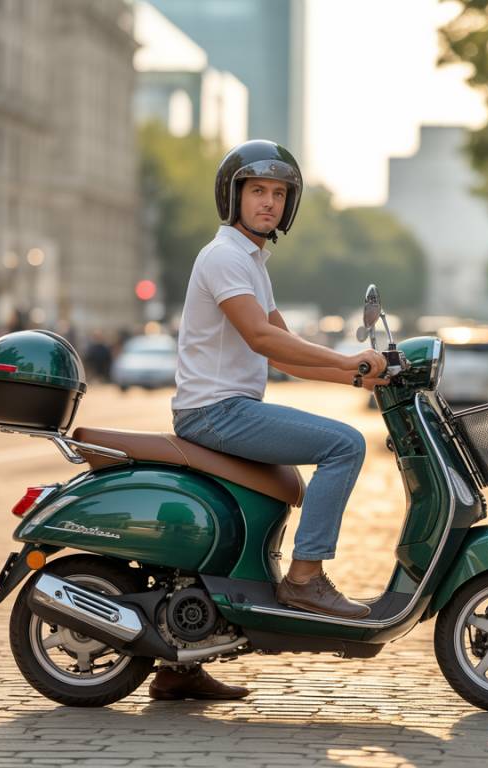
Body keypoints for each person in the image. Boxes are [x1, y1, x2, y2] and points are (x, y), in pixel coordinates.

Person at [148, 139, 387, 702]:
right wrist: (347, 361)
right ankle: (305, 580)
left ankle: (181, 664)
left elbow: (280, 352)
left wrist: (356, 376)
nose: (269, 203)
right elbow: (260, 336)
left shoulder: (252, 261)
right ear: (233, 196)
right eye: (257, 191)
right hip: (216, 411)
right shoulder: (224, 256)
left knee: (285, 486)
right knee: (346, 445)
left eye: (279, 194)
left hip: (233, 409)